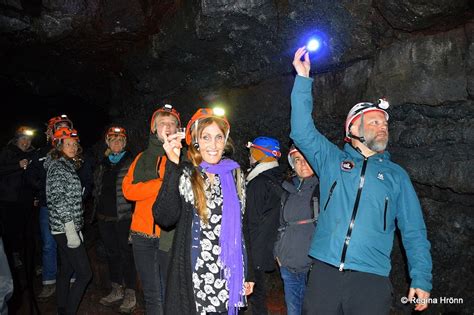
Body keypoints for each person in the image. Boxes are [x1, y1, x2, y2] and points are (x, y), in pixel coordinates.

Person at [290, 47, 432, 314]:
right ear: (353, 128)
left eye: (385, 124)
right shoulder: (331, 160)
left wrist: (421, 277)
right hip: (325, 273)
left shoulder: (396, 176)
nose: (382, 127)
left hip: (371, 279)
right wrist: (303, 79)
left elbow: (414, 231)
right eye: (375, 121)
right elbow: (301, 131)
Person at [152, 107, 255, 315]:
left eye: (219, 137)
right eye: (206, 137)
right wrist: (172, 165)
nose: (213, 145)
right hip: (195, 273)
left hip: (228, 274)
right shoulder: (186, 173)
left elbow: (243, 227)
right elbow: (164, 217)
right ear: (196, 141)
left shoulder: (235, 175)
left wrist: (248, 271)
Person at [122, 104, 182, 314]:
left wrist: (156, 185)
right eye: (162, 123)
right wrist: (161, 183)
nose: (167, 127)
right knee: (151, 293)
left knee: (170, 290)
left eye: (172, 123)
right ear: (154, 129)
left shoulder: (182, 157)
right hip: (142, 235)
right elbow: (128, 191)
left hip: (170, 235)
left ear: (178, 129)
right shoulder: (140, 158)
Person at [45, 127, 92, 315]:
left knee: (67, 269)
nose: (73, 147)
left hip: (66, 227)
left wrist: (76, 227)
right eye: (68, 144)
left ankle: (62, 308)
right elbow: (58, 200)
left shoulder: (66, 165)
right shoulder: (58, 166)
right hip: (64, 229)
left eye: (75, 144)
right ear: (58, 146)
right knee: (84, 274)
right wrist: (71, 229)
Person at [92, 126, 136, 313]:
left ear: (124, 144)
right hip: (104, 217)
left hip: (124, 217)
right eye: (113, 140)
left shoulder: (131, 162)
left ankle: (131, 292)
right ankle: (117, 288)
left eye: (120, 140)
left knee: (126, 254)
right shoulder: (102, 163)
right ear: (108, 143)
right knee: (111, 253)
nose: (117, 143)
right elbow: (97, 188)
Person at [30, 114, 73, 300]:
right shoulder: (40, 153)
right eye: (58, 126)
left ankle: (71, 277)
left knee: (70, 242)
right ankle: (49, 282)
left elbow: (85, 176)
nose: (62, 128)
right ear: (51, 130)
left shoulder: (73, 148)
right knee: (49, 244)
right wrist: (44, 190)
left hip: (70, 208)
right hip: (47, 206)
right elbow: (30, 177)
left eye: (65, 125)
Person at [273, 145, 319, 315]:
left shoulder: (322, 188)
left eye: (306, 159)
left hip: (314, 266)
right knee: (294, 311)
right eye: (297, 160)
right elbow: (279, 224)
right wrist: (277, 253)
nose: (303, 164)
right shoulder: (286, 189)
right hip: (288, 265)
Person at [245, 136, 283, 315]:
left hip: (256, 251)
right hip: (267, 248)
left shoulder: (258, 183)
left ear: (261, 153)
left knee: (256, 298)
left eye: (252, 151)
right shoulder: (277, 179)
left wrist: (247, 254)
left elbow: (251, 221)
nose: (250, 156)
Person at [0, 126, 36, 270]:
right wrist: (17, 165)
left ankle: (29, 262)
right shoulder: (7, 152)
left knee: (28, 232)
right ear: (16, 140)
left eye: (28, 140)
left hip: (26, 201)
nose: (26, 142)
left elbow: (32, 178)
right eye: (23, 139)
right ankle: (10, 260)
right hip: (8, 201)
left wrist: (35, 195)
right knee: (10, 232)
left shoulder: (32, 154)